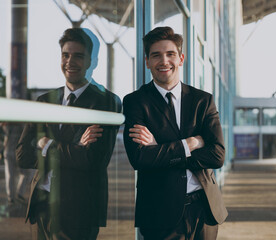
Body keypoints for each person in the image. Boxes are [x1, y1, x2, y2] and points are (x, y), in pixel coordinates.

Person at [123, 26, 228, 240]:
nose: (164, 61)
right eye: (156, 55)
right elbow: (140, 158)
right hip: (159, 214)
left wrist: (160, 150)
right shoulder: (136, 101)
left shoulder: (203, 100)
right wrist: (189, 144)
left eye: (170, 54)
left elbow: (217, 155)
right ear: (147, 62)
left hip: (204, 210)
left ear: (180, 59)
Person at [16, 28, 121, 240]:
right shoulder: (44, 101)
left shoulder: (105, 102)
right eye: (66, 55)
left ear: (92, 61)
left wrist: (45, 144)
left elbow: (93, 159)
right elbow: (22, 155)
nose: (70, 61)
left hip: (79, 213)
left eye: (78, 56)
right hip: (42, 205)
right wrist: (74, 150)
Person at [1, 123, 35, 205]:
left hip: (9, 152)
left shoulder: (7, 123)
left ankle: (11, 197)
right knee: (24, 174)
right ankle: (18, 194)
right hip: (17, 153)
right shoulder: (21, 123)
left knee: (10, 175)